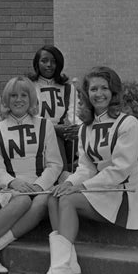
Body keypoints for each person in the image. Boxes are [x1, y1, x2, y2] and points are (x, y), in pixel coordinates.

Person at [32, 66, 138, 274]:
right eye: (93, 89)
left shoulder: (127, 123)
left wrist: (80, 188)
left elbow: (120, 170)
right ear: (86, 94)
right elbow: (85, 167)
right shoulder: (85, 127)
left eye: (104, 88)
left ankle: (61, 266)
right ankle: (67, 265)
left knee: (68, 200)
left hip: (124, 194)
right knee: (55, 196)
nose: (99, 93)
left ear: (114, 92)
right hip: (100, 189)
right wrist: (69, 183)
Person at [0, 76, 63, 274]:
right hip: (11, 188)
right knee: (22, 200)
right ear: (6, 100)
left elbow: (55, 164)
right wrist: (14, 182)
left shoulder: (45, 125)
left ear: (31, 98)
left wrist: (38, 184)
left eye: (24, 95)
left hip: (39, 186)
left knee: (42, 199)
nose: (19, 100)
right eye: (13, 95)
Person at [29, 45, 81, 176]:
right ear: (37, 63)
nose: (49, 65)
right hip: (34, 132)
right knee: (53, 135)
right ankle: (63, 175)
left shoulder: (68, 88)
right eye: (44, 61)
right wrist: (53, 128)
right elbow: (27, 114)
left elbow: (74, 113)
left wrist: (79, 128)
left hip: (62, 132)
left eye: (54, 61)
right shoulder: (29, 85)